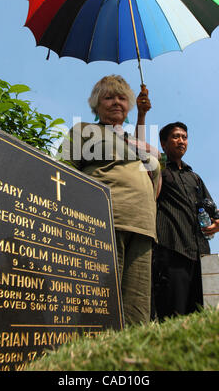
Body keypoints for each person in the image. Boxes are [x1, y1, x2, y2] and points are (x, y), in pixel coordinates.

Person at [60, 75, 160, 325]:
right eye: (108, 97)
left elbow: (154, 180)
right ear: (96, 104)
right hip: (104, 223)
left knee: (137, 310)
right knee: (101, 302)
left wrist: (143, 116)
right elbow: (61, 172)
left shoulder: (134, 143)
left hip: (144, 227)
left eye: (122, 97)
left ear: (130, 105)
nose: (116, 102)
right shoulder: (83, 130)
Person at [151, 122, 219, 320]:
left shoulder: (195, 177)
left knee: (199, 314)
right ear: (163, 143)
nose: (181, 141)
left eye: (184, 137)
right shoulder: (158, 170)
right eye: (176, 136)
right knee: (172, 314)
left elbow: (212, 210)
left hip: (200, 254)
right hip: (171, 250)